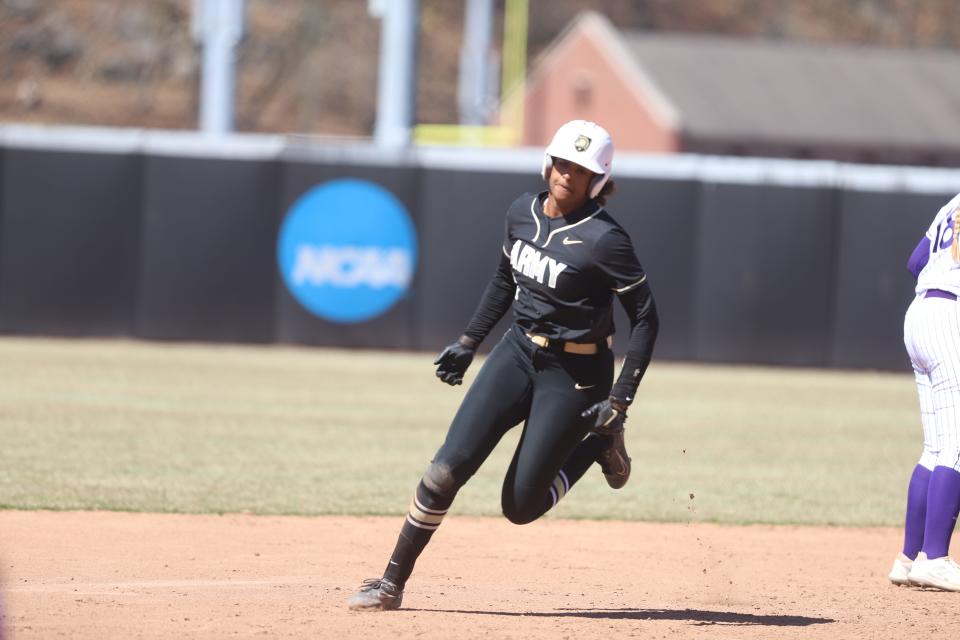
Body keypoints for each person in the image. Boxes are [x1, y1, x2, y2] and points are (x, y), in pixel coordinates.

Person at [347, 120, 659, 611]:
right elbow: (502, 281)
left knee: (520, 506)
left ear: (597, 180)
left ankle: (599, 445)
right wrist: (469, 342)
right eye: (561, 163)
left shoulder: (604, 241)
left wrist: (619, 401)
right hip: (516, 353)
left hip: (575, 374)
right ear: (548, 162)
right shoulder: (521, 212)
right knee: (446, 469)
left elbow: (646, 318)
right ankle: (390, 585)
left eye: (580, 170)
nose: (566, 175)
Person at [889, 191, 960, 591]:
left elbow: (916, 261)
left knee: (936, 446)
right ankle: (936, 558)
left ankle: (910, 558)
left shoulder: (953, 202)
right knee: (957, 445)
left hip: (920, 314)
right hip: (950, 314)